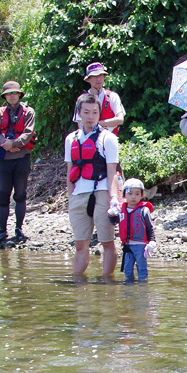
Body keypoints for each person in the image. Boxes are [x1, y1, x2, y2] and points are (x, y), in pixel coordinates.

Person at [65, 93, 121, 279]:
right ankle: (78, 284)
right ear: (79, 113)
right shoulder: (71, 139)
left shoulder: (108, 138)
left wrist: (114, 197)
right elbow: (70, 169)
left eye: (95, 112)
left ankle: (107, 283)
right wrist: (70, 196)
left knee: (107, 242)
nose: (91, 116)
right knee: (81, 244)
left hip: (102, 192)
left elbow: (112, 171)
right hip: (79, 194)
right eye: (86, 112)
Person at [0, 80, 36, 245]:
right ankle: (2, 231)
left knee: (20, 195)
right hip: (5, 160)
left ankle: (19, 229)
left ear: (19, 95)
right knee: (3, 195)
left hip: (22, 158)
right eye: (9, 93)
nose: (12, 96)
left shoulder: (28, 112)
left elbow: (28, 133)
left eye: (15, 93)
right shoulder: (0, 113)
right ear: (5, 96)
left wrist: (13, 144)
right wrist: (5, 144)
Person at [72, 62, 125, 135]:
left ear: (104, 77)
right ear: (88, 79)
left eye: (101, 75)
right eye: (94, 76)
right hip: (90, 142)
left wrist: (98, 124)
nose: (98, 79)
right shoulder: (82, 99)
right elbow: (80, 124)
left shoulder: (113, 96)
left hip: (111, 140)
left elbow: (120, 120)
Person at [119, 178, 155, 282]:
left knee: (141, 269)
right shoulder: (121, 210)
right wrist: (111, 214)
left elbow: (149, 227)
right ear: (124, 195)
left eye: (137, 194)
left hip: (140, 246)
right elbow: (113, 221)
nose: (133, 197)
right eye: (130, 194)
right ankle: (129, 289)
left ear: (141, 195)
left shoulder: (144, 210)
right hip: (127, 245)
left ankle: (143, 288)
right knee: (127, 269)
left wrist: (152, 241)